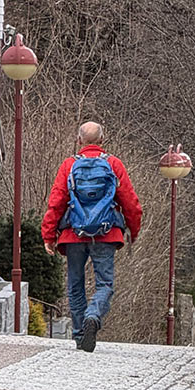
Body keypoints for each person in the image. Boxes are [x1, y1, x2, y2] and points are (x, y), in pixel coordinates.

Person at [40, 121, 142, 352]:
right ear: (102, 141)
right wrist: (133, 231)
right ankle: (93, 315)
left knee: (75, 286)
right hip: (106, 234)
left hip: (73, 235)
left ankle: (79, 335)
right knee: (104, 284)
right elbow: (131, 203)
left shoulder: (69, 166)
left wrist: (48, 235)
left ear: (79, 141)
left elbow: (56, 202)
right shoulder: (114, 164)